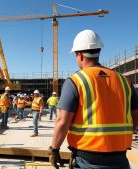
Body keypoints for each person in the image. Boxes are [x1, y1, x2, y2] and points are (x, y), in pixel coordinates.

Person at [49, 29, 138, 169]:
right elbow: (135, 117)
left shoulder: (75, 81)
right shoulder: (124, 81)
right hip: (120, 158)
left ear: (80, 55)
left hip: (87, 159)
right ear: (98, 52)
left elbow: (62, 121)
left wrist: (54, 149)